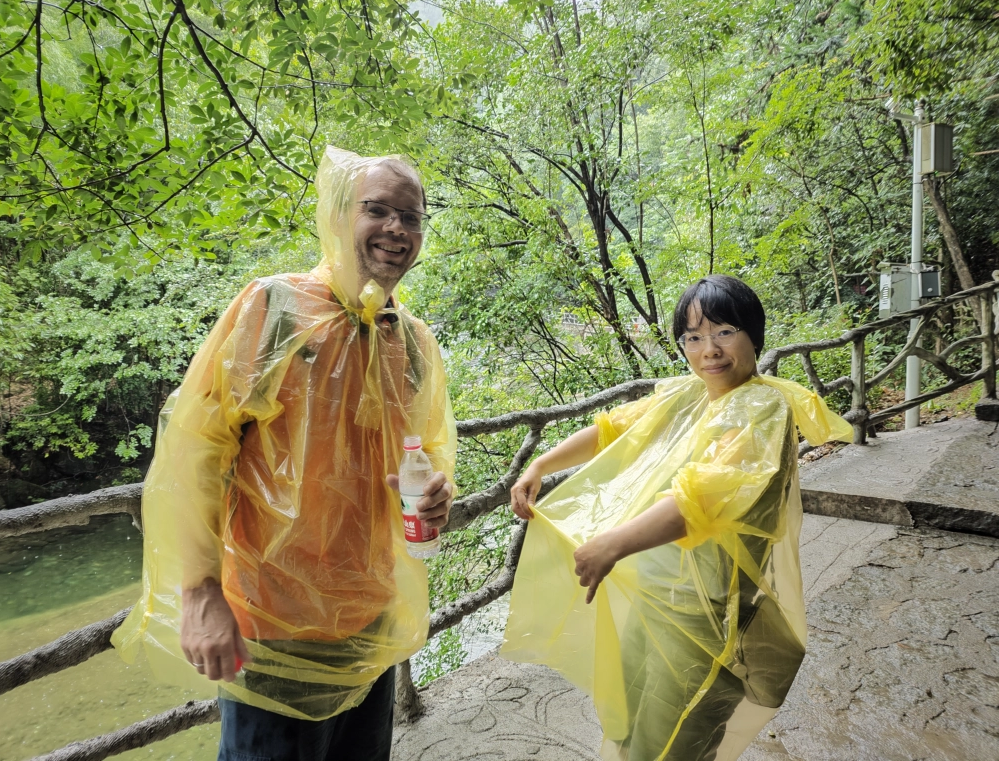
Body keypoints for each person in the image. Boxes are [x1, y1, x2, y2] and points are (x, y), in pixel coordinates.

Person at [112, 147, 457, 761]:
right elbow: (195, 454)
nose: (396, 229)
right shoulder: (273, 310)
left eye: (412, 215)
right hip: (272, 626)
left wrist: (438, 494)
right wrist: (199, 593)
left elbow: (425, 452)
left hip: (370, 622)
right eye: (376, 210)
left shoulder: (412, 341)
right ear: (337, 216)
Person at [502, 275, 853, 761]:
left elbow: (704, 498)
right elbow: (612, 430)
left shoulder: (761, 408)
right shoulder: (688, 396)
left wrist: (614, 543)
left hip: (711, 615)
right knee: (631, 721)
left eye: (724, 331)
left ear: (755, 334)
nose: (709, 349)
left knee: (671, 742)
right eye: (693, 337)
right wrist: (541, 465)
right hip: (656, 598)